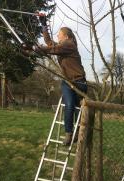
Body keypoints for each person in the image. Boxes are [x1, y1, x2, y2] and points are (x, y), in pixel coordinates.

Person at [26, 15, 87, 146]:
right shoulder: (63, 46)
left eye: (59, 35)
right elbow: (50, 44)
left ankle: (77, 132)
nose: (57, 37)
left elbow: (52, 49)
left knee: (77, 109)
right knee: (70, 106)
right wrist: (43, 24)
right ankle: (69, 133)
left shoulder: (69, 45)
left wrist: (34, 48)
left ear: (66, 36)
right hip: (67, 81)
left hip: (79, 82)